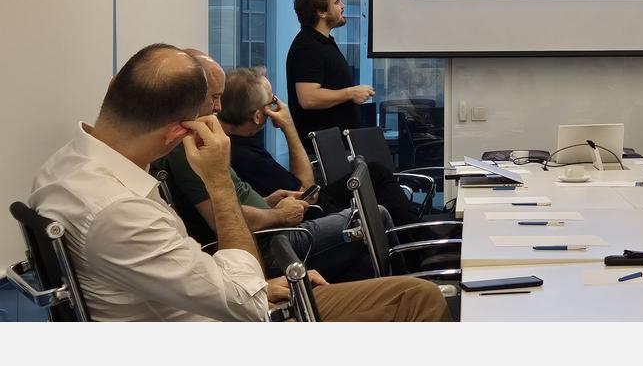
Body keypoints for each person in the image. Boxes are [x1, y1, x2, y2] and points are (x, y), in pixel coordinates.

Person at [29, 43, 447, 321]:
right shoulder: (120, 210)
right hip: (223, 322)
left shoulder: (63, 168)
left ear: (114, 92)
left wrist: (259, 286)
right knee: (419, 299)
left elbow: (194, 275)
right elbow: (244, 304)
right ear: (180, 131)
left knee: (409, 295)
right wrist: (218, 181)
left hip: (212, 298)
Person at [152, 50, 387, 284]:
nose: (218, 107)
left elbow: (225, 203)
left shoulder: (204, 144)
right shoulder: (190, 148)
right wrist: (279, 215)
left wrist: (266, 202)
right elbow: (219, 215)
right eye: (214, 97)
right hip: (270, 244)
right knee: (374, 215)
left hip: (270, 234)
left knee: (364, 258)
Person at [219, 65, 419, 226]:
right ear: (257, 116)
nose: (277, 106)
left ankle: (415, 238)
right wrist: (289, 127)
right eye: (272, 101)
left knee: (374, 173)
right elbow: (309, 193)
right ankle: (417, 244)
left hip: (309, 206)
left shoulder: (237, 142)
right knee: (377, 200)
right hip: (313, 217)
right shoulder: (246, 156)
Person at [286, 0, 375, 149]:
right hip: (326, 153)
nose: (342, 6)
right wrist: (351, 93)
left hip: (337, 148)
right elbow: (308, 98)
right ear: (321, 12)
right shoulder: (308, 47)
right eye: (337, 2)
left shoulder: (322, 43)